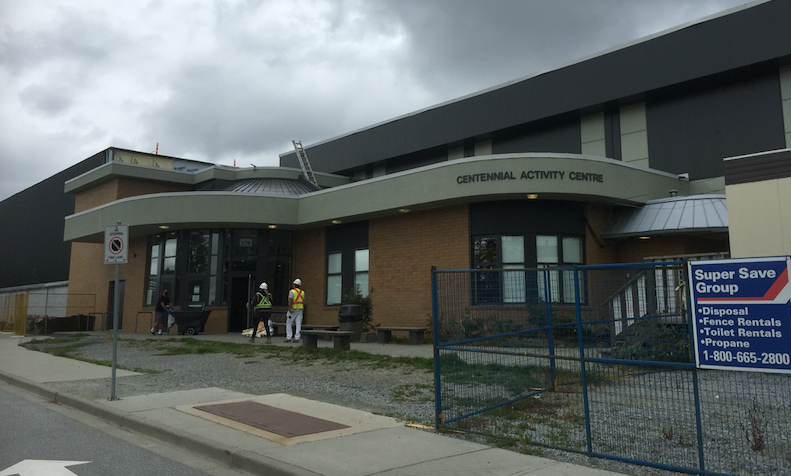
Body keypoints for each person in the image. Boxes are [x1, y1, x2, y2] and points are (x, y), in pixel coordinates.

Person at [285, 278, 304, 343]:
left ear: (294, 285)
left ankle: (289, 337)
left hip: (293, 309)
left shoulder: (291, 292)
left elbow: (290, 301)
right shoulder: (302, 292)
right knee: (298, 324)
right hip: (300, 310)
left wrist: (289, 308)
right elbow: (303, 299)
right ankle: (297, 338)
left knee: (289, 323)